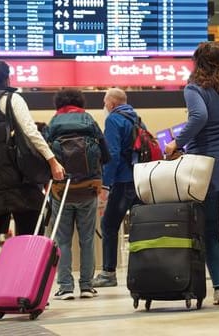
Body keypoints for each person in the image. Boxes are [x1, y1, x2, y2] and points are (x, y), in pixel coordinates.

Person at [0, 60, 65, 314]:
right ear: (7, 78)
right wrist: (52, 160)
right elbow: (30, 132)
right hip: (16, 179)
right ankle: (24, 291)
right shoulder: (11, 99)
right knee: (28, 233)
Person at [165, 42, 219, 305]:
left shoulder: (194, 88)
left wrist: (176, 143)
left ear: (198, 62)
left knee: (211, 229)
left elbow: (199, 117)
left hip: (206, 163)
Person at [43, 89, 110, 300]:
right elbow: (106, 154)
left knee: (63, 240)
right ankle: (87, 286)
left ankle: (65, 287)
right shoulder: (89, 120)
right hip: (88, 189)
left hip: (61, 190)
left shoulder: (53, 123)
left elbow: (44, 155)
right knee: (87, 239)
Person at [91, 87, 141, 288]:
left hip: (122, 181)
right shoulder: (135, 118)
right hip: (138, 179)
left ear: (111, 103)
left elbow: (111, 154)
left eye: (105, 102)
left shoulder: (113, 119)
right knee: (138, 227)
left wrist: (105, 184)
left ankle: (108, 273)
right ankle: (141, 268)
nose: (105, 106)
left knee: (109, 226)